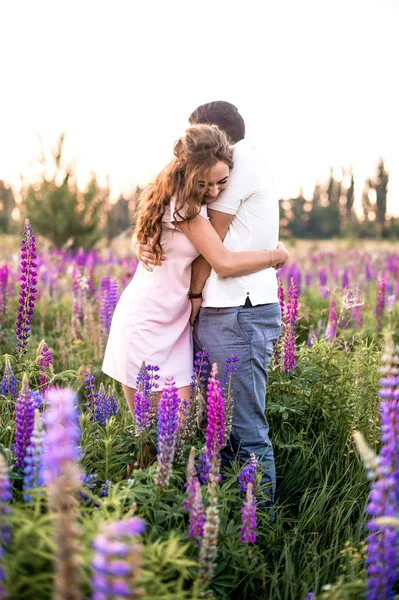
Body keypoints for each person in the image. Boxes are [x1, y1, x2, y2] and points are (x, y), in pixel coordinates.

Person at [138, 101, 284, 507]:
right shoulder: (241, 164)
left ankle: (260, 528)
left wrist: (195, 295)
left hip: (237, 310)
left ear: (218, 139)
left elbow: (214, 252)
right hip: (231, 312)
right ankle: (223, 513)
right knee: (215, 428)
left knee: (244, 430)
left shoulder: (238, 164)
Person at [102, 123, 288, 421]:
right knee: (157, 436)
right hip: (148, 323)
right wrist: (275, 256)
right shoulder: (183, 205)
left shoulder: (190, 201)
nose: (213, 192)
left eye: (221, 183)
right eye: (203, 185)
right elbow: (223, 263)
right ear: (189, 176)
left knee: (179, 432)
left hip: (175, 324)